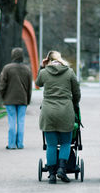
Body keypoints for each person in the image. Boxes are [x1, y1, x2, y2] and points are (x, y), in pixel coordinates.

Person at [35, 51, 81, 184]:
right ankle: (61, 169)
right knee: (66, 143)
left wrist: (42, 67)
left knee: (51, 145)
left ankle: (52, 174)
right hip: (65, 111)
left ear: (48, 60)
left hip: (48, 111)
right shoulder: (69, 72)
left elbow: (38, 83)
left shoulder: (44, 72)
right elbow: (76, 92)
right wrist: (74, 104)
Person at [0, 47, 32, 150]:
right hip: (23, 99)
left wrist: (3, 96)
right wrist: (28, 100)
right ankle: (20, 144)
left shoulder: (7, 68)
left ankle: (11, 144)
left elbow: (2, 84)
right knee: (21, 121)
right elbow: (29, 87)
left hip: (9, 99)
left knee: (12, 121)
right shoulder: (27, 69)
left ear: (13, 56)